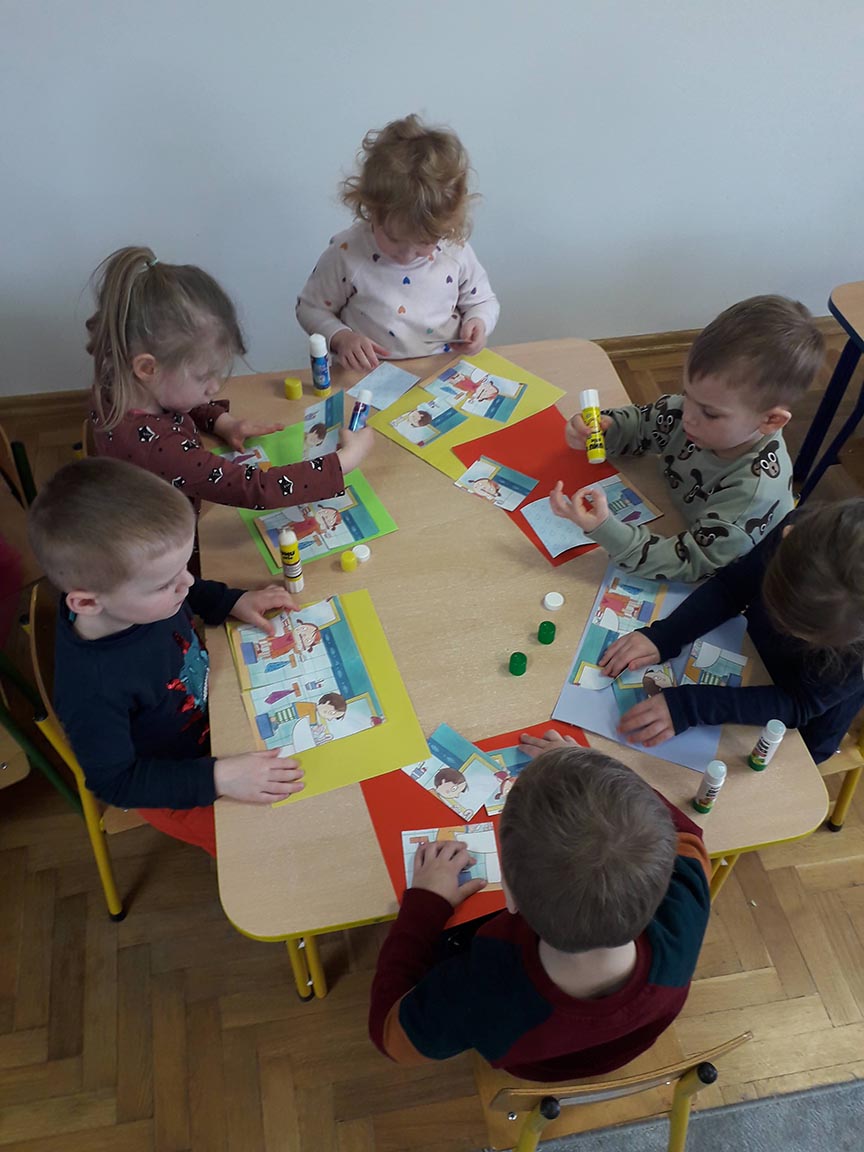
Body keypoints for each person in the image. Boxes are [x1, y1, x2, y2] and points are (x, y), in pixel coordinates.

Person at [369, 732, 710, 1080]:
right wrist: (596, 772)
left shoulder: (481, 992)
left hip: (536, 1062)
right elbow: (688, 839)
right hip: (615, 1045)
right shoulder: (685, 909)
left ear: (509, 895)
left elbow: (390, 1037)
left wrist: (426, 903)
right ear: (663, 871)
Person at [27, 458, 307, 857]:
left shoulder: (133, 596)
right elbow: (115, 782)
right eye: (166, 583)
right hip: (173, 782)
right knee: (266, 850)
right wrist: (219, 777)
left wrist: (230, 600)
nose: (187, 582)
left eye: (184, 567)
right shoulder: (92, 689)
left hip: (214, 723)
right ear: (87, 603)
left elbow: (184, 587)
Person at [86, 246, 372, 521]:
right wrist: (344, 461)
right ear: (147, 368)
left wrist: (222, 422)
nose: (214, 388)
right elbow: (256, 488)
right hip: (168, 539)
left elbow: (174, 397)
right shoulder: (157, 447)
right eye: (203, 377)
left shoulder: (119, 374)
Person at [557, 296, 824, 581]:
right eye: (687, 395)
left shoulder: (751, 494)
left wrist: (606, 530)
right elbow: (644, 424)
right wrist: (603, 431)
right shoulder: (694, 412)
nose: (688, 416)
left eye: (709, 413)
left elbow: (690, 564)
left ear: (770, 420)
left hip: (734, 577)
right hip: (679, 520)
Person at [602, 499, 864, 765]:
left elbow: (799, 703)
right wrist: (666, 636)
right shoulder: (806, 536)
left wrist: (691, 706)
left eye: (800, 632)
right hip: (749, 653)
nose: (781, 627)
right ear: (788, 535)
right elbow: (732, 587)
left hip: (798, 731)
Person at [296, 114, 499, 368]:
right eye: (394, 240)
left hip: (442, 369)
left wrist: (478, 322)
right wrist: (341, 338)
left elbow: (483, 301)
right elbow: (310, 308)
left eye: (424, 243)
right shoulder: (347, 253)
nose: (407, 254)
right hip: (370, 373)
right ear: (371, 210)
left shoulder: (454, 251)